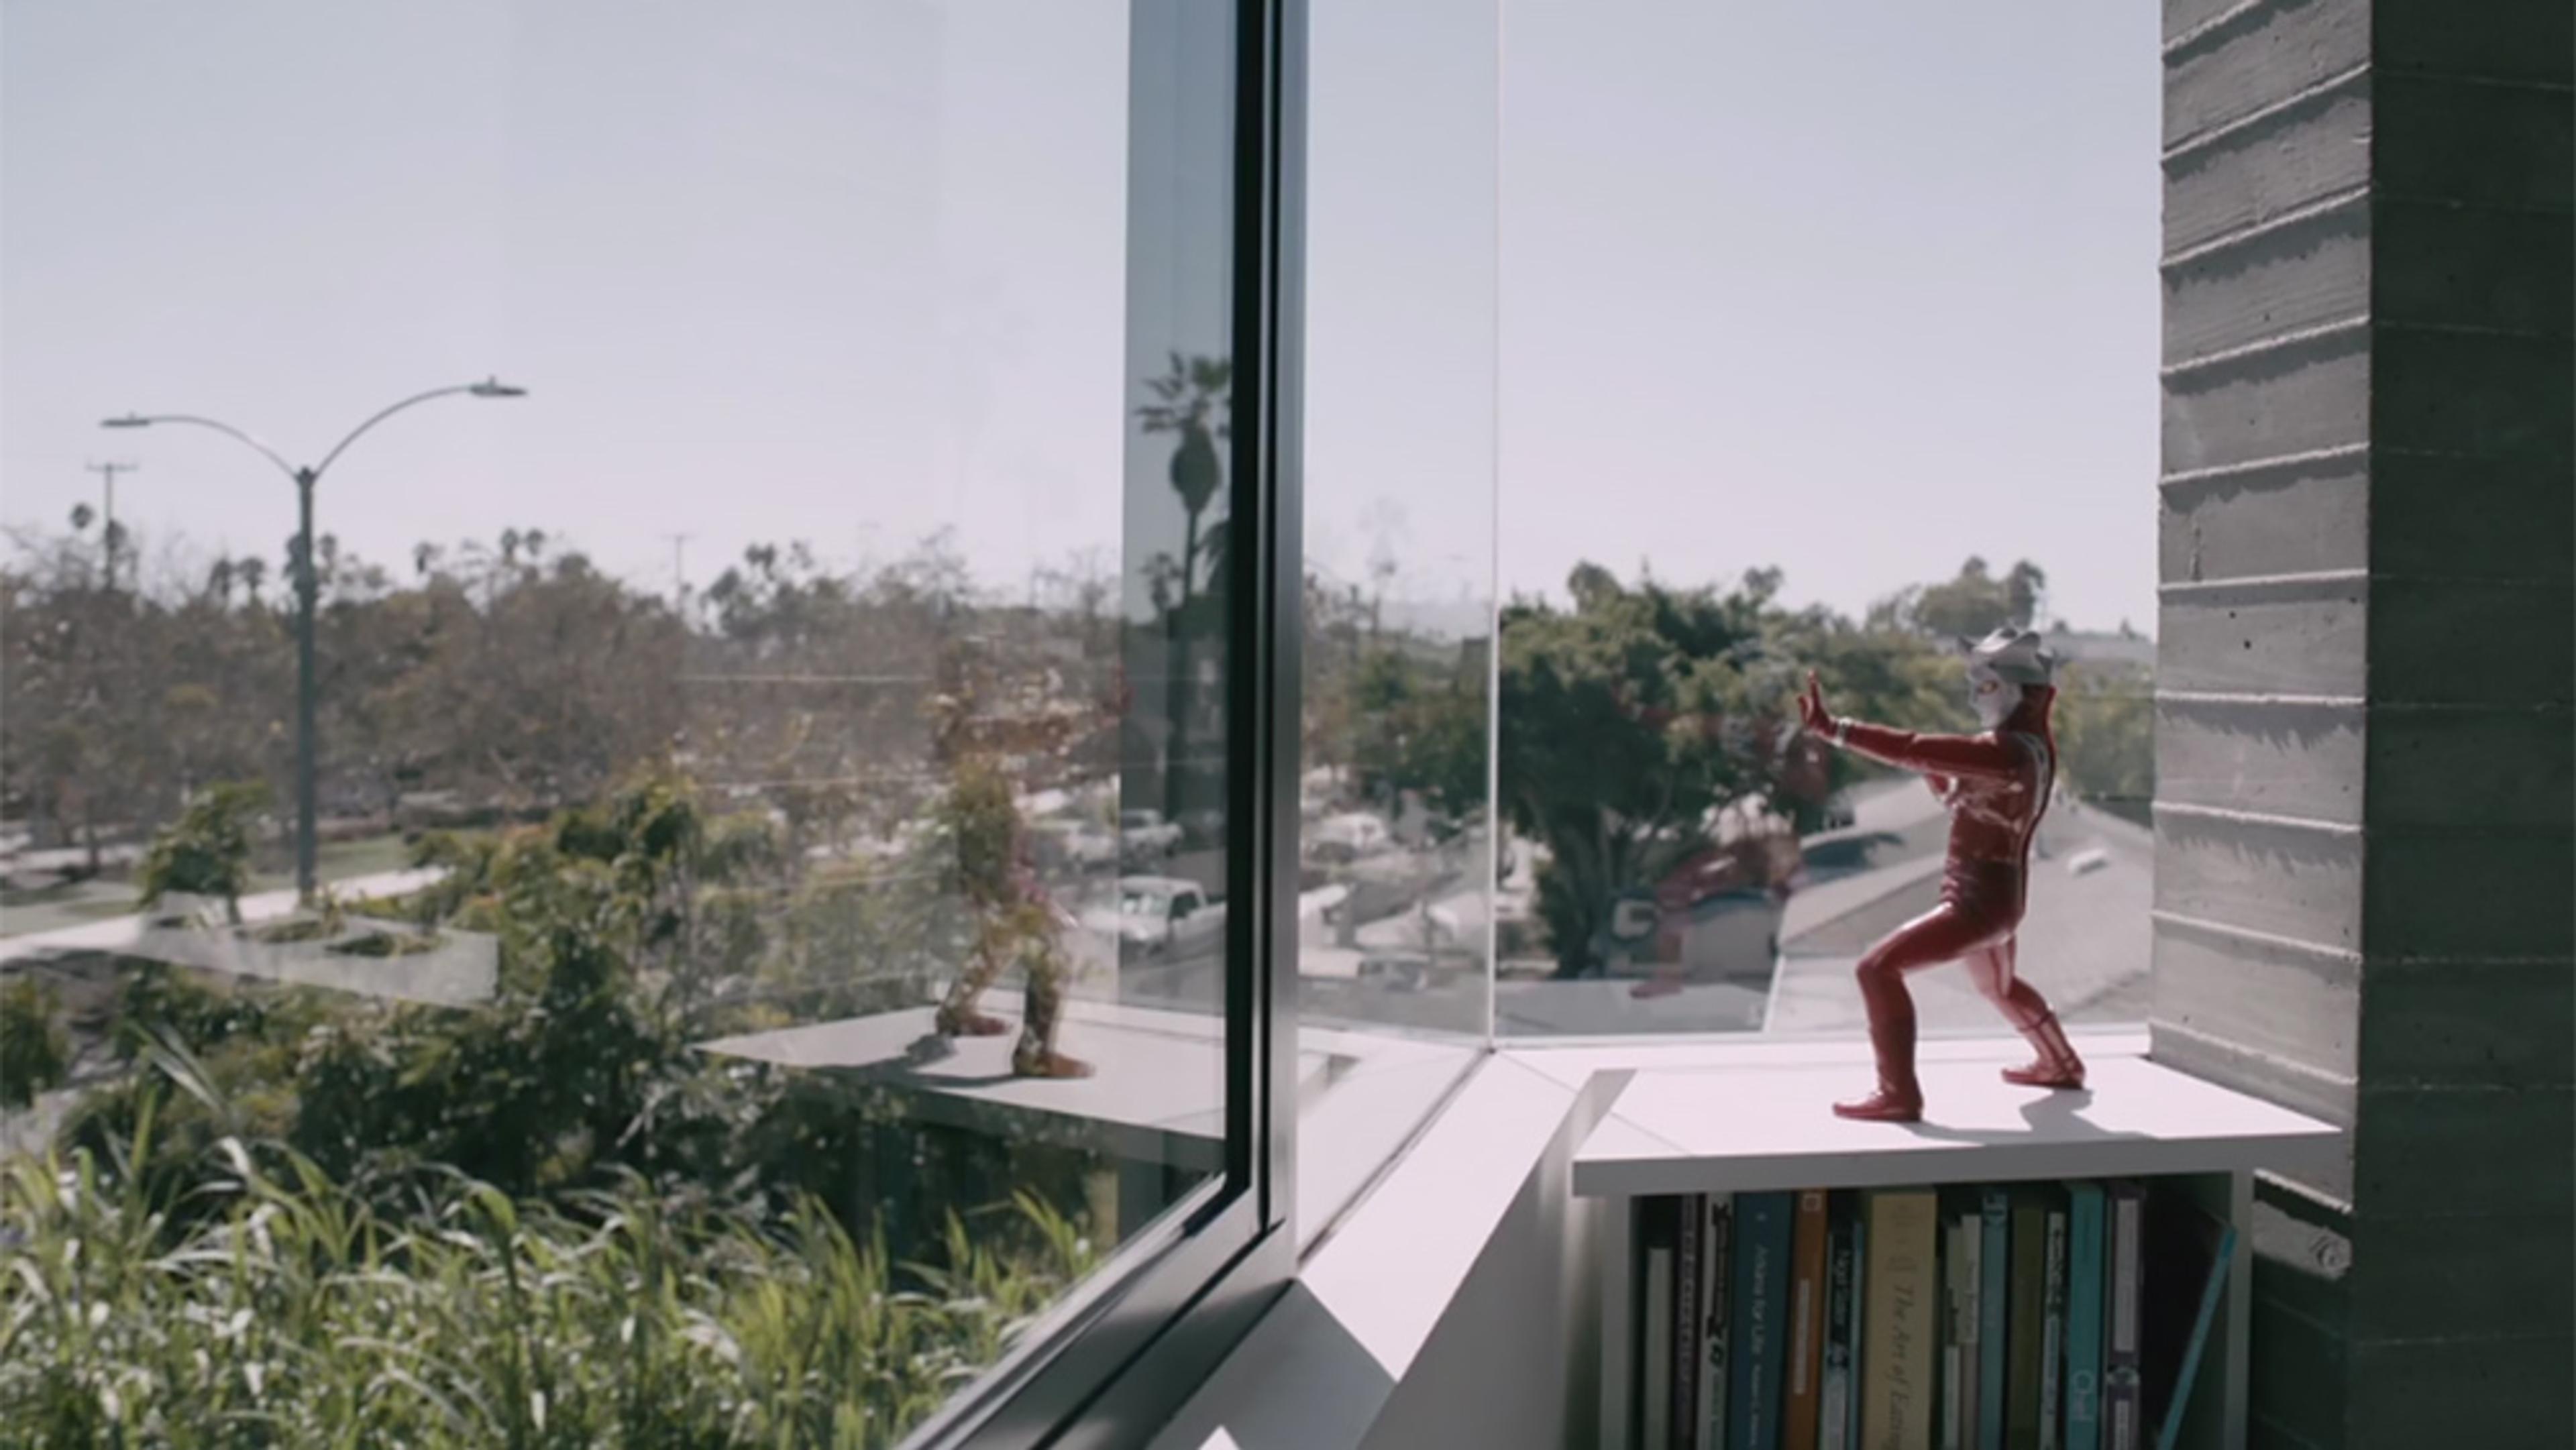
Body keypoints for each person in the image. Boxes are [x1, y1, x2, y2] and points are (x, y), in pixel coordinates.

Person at [1796, 627, 2085, 1121]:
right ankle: (2061, 1062)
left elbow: (1911, 746)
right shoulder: (2032, 747)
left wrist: (1835, 729)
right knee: (1999, 987)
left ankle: (1898, 1093)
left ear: (2022, 691)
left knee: (1876, 969)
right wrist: (1947, 790)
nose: (1975, 696)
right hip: (2002, 898)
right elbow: (1985, 804)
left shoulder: (2006, 752)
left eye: (1987, 685)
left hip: (1977, 903)